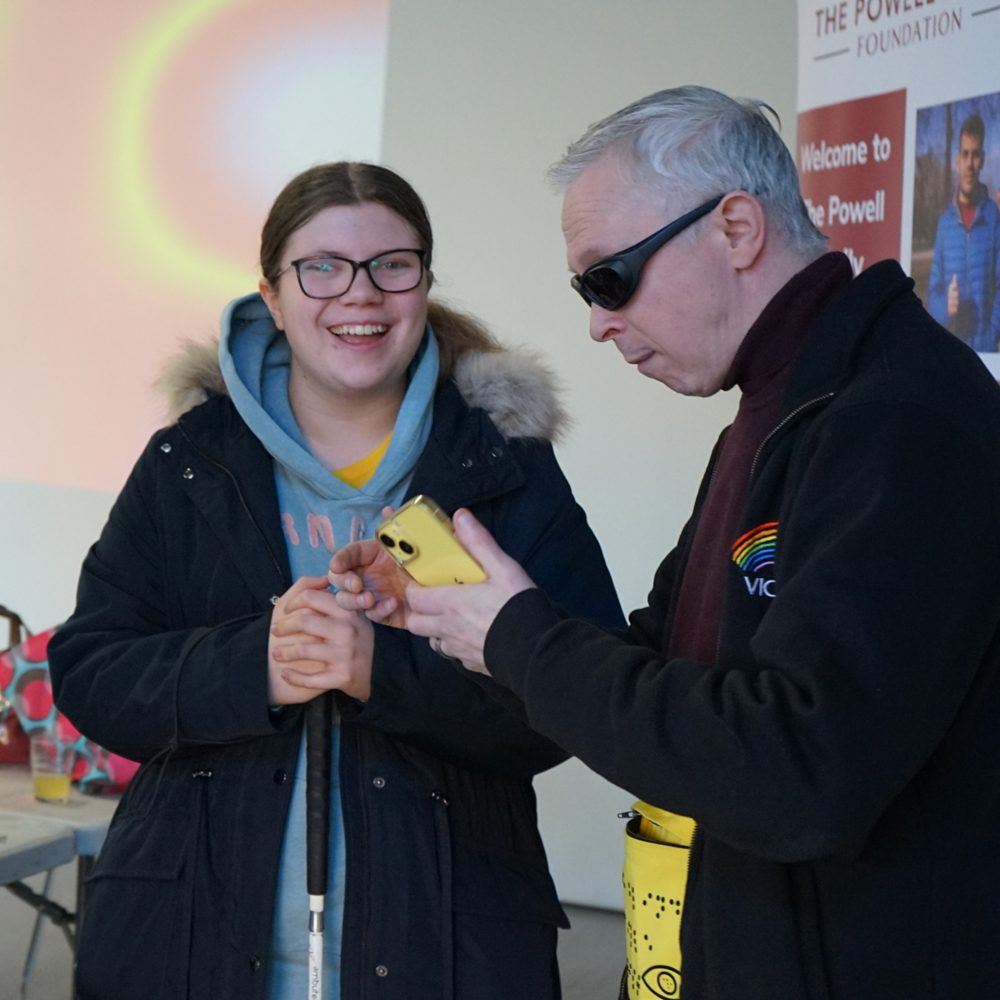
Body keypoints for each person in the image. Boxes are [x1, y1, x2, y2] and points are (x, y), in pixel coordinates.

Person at [330, 87, 1000, 999]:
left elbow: (794, 771)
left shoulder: (898, 421)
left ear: (734, 228)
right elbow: (672, 659)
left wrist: (519, 634)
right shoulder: (774, 412)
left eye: (609, 279)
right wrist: (466, 613)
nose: (597, 323)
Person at [48, 161, 623, 1000]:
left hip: (449, 952)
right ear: (272, 295)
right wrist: (257, 667)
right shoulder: (188, 462)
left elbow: (580, 693)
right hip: (186, 951)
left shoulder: (503, 467)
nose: (360, 295)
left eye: (394, 264)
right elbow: (92, 671)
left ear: (424, 282)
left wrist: (379, 672)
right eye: (321, 267)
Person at [927, 111, 1000, 352]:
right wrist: (944, 307)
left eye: (975, 154)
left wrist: (990, 338)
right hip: (951, 352)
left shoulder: (993, 217)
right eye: (965, 154)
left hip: (985, 354)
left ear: (982, 159)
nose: (969, 163)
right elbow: (933, 291)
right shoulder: (944, 224)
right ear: (957, 160)